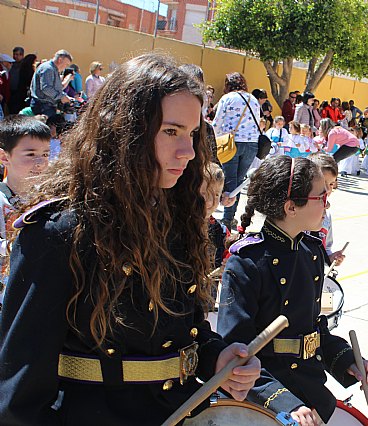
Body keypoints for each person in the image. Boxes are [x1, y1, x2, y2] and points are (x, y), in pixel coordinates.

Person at [0, 53, 261, 425]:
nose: (188, 151)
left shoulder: (179, 220)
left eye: (191, 134)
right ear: (125, 132)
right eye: (171, 131)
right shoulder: (57, 233)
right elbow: (20, 399)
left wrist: (216, 355)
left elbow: (179, 333)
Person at [217, 155, 368, 426]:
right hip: (262, 399)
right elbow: (236, 355)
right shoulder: (246, 263)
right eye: (321, 198)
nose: (327, 205)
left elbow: (313, 329)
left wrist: (346, 358)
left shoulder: (311, 251)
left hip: (309, 389)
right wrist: (283, 401)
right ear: (291, 207)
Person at [0, 116, 51, 307]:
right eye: (30, 155)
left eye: (45, 154)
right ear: (5, 157)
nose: (40, 163)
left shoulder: (49, 198)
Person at [212, 72, 261, 231]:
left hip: (231, 142)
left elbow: (217, 123)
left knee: (229, 179)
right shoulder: (253, 99)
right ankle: (230, 217)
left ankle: (225, 218)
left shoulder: (227, 98)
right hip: (251, 144)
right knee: (238, 182)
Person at [308, 153, 346, 266]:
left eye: (331, 184)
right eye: (323, 182)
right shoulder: (295, 212)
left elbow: (326, 247)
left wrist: (330, 258)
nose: (328, 189)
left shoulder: (326, 216)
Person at [29, 49, 74, 118]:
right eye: (66, 64)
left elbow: (56, 87)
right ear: (60, 60)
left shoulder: (53, 69)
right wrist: (61, 97)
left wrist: (64, 96)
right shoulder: (48, 69)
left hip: (46, 105)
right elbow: (46, 88)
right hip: (43, 105)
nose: (66, 67)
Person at [8, 47, 24, 114]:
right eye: (14, 54)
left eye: (17, 54)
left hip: (20, 92)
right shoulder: (11, 64)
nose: (15, 56)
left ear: (22, 55)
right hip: (11, 92)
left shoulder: (24, 65)